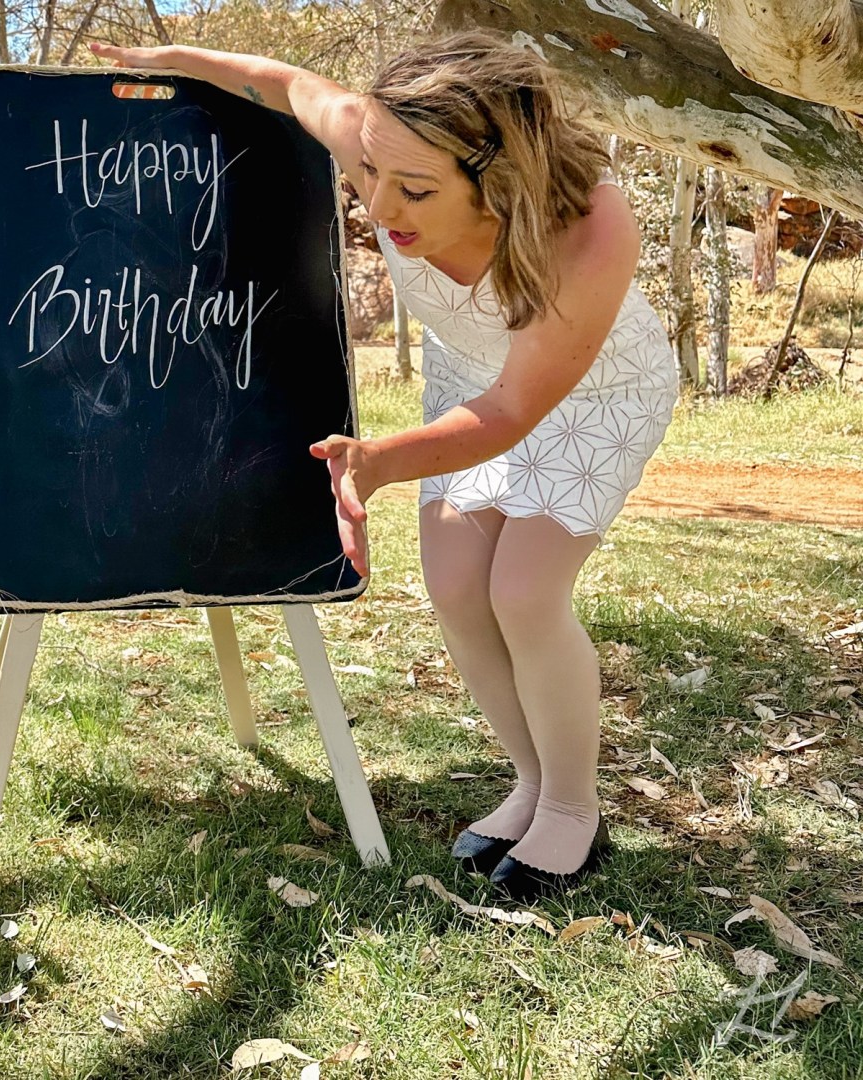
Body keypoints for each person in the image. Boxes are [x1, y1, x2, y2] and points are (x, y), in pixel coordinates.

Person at [91, 33, 677, 900]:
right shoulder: (380, 138)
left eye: (413, 190)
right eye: (367, 172)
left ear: (500, 177)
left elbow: (518, 411)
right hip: (472, 381)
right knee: (453, 585)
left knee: (524, 590)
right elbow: (280, 77)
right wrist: (176, 58)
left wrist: (374, 462)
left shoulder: (590, 225)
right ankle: (529, 782)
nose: (377, 205)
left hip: (592, 390)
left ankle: (572, 808)